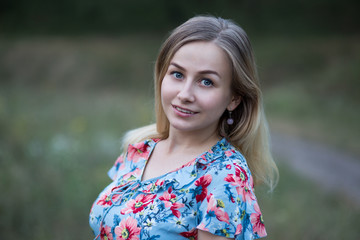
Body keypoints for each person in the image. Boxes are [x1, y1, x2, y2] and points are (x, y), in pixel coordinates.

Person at [89, 15, 278, 240]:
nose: (185, 94)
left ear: (234, 98)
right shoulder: (139, 149)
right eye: (177, 74)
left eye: (206, 81)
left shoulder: (225, 175)